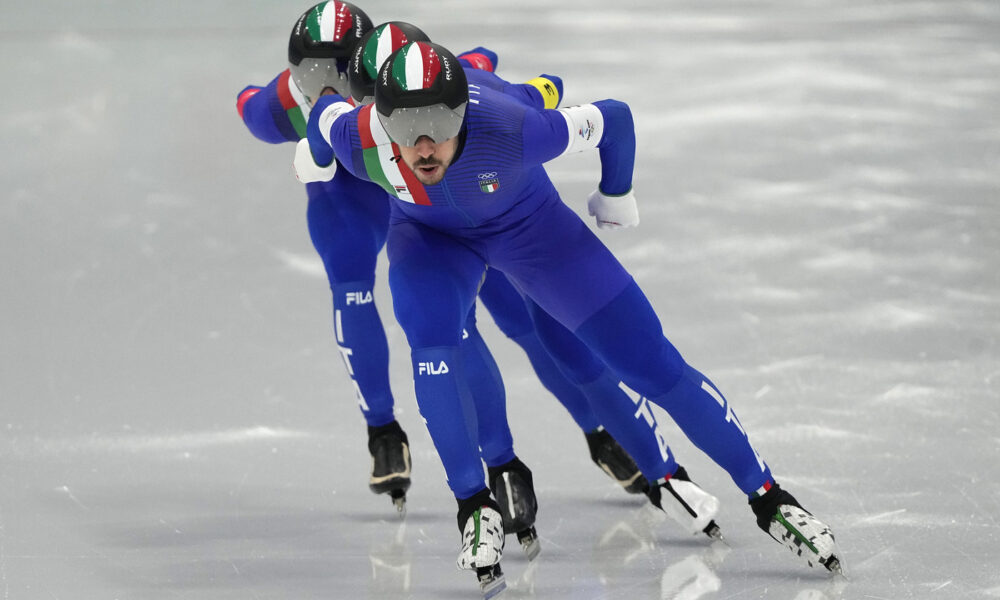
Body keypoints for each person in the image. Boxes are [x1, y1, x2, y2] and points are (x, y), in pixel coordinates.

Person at [296, 40, 842, 593]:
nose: (422, 143)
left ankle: (770, 495)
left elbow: (614, 117)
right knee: (434, 343)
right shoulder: (358, 135)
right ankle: (473, 503)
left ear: (462, 111)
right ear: (379, 118)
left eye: (438, 120)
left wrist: (615, 193)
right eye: (405, 125)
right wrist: (317, 157)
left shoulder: (514, 129)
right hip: (430, 239)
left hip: (527, 228)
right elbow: (322, 115)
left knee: (651, 366)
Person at [238, 2, 707, 552]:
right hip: (373, 202)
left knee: (529, 320)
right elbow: (250, 106)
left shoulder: (414, 97)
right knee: (400, 307)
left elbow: (493, 79)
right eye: (309, 77)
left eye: (338, 76)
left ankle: (601, 432)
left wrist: (528, 92)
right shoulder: (287, 107)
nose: (324, 91)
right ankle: (403, 435)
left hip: (440, 202)